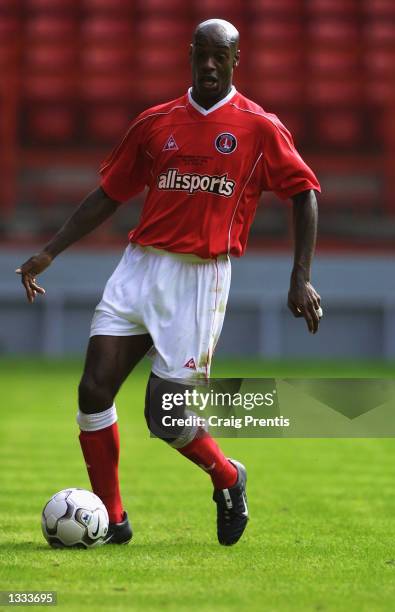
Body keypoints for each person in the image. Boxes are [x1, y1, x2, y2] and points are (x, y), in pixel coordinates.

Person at [16, 19, 321, 547]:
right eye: (200, 55)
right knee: (93, 391)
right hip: (139, 267)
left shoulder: (258, 126)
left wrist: (301, 279)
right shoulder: (155, 122)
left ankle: (228, 477)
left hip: (200, 279)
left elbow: (304, 193)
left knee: (164, 414)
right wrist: (49, 252)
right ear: (189, 56)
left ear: (235, 61)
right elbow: (109, 193)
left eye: (218, 57)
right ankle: (113, 519)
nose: (208, 65)